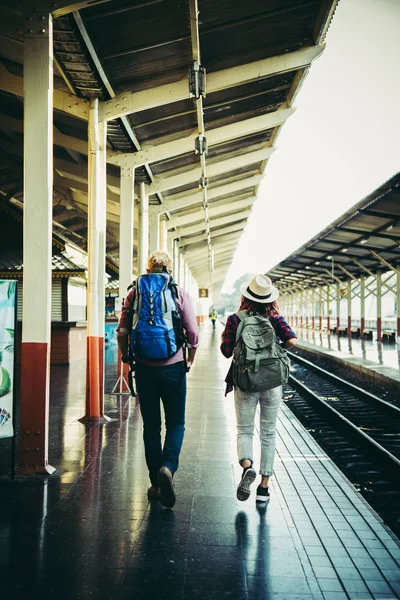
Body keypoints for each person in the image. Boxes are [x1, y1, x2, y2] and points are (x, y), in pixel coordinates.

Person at [117, 251, 199, 508]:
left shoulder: (134, 292)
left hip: (144, 368)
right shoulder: (178, 293)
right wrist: (189, 358)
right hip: (173, 367)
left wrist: (127, 355)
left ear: (148, 269)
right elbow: (193, 332)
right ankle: (168, 467)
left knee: (151, 426)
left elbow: (122, 330)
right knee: (176, 423)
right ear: (169, 270)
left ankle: (155, 483)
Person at [220, 274, 297, 504]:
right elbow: (292, 341)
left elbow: (226, 351)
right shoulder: (275, 317)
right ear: (269, 298)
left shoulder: (236, 319)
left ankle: (247, 466)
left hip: (245, 381)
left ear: (246, 296)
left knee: (244, 429)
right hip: (272, 383)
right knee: (269, 433)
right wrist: (276, 348)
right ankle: (263, 489)